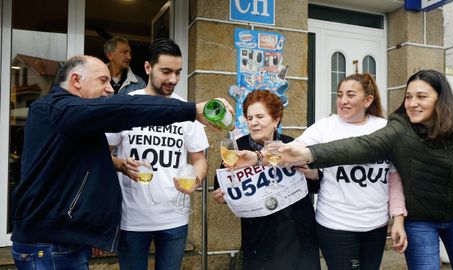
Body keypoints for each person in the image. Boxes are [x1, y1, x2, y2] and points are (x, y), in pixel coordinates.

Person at [235, 70, 453, 269]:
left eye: (421, 97)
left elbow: (394, 177)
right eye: (408, 97)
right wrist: (259, 157)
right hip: (366, 222)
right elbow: (347, 147)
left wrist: (396, 217)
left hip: (441, 216)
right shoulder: (391, 129)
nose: (412, 104)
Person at [9, 55, 232, 270]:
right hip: (50, 246)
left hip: (63, 242)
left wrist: (118, 164)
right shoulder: (61, 109)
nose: (109, 88)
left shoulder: (68, 115)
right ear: (76, 80)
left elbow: (76, 161)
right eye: (103, 80)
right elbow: (124, 109)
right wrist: (193, 110)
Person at [106, 38, 208, 270]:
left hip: (174, 219)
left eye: (178, 72)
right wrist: (120, 164)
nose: (173, 79)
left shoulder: (186, 110)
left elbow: (199, 159)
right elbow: (101, 154)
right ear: (148, 68)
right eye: (166, 71)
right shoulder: (127, 105)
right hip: (132, 218)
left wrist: (197, 179)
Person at [294, 73, 407, 269]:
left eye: (350, 95)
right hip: (336, 225)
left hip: (376, 226)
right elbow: (297, 148)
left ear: (368, 100)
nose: (343, 101)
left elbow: (394, 180)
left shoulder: (385, 129)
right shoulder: (326, 126)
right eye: (339, 95)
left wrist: (398, 220)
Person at [213, 90, 321, 270]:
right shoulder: (238, 148)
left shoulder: (291, 145)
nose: (253, 123)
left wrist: (314, 175)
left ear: (276, 120)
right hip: (261, 238)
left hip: (299, 235)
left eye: (260, 117)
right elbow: (221, 186)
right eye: (249, 118)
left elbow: (316, 185)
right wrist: (221, 195)